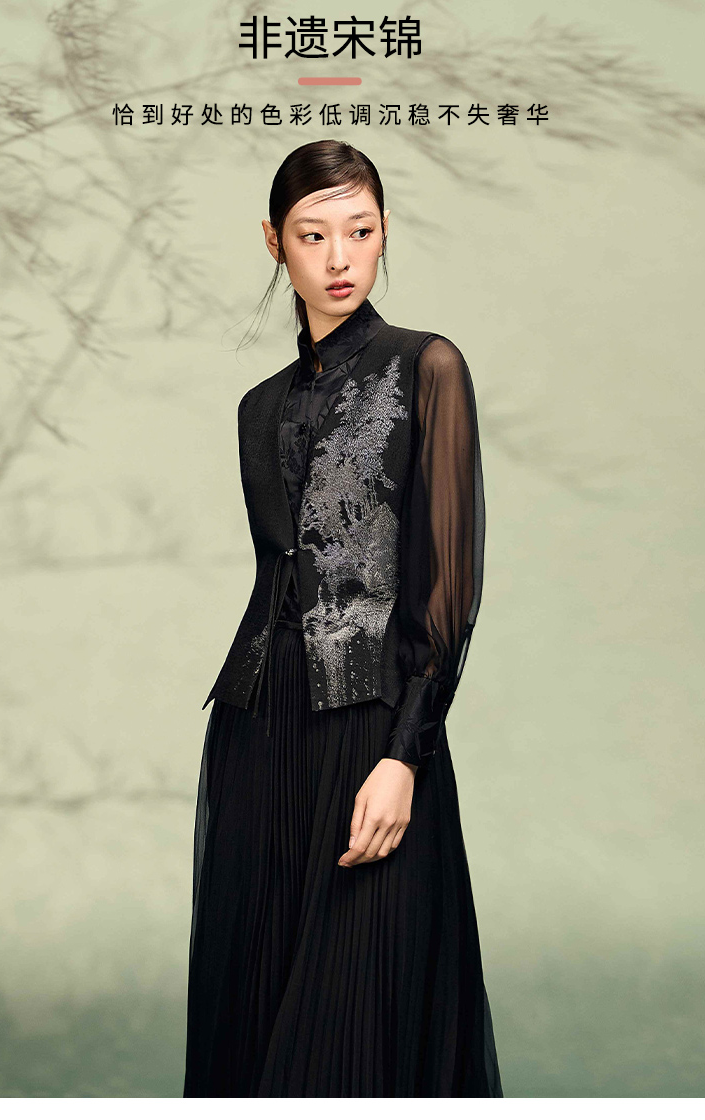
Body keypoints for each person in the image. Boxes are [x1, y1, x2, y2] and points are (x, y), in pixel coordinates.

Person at [183, 139, 503, 1098]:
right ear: (274, 243)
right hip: (258, 730)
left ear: (384, 233)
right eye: (312, 234)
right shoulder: (258, 407)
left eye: (359, 231)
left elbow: (447, 585)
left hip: (375, 725)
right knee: (252, 1013)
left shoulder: (426, 367)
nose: (339, 257)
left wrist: (406, 754)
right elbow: (278, 576)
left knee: (363, 1018)